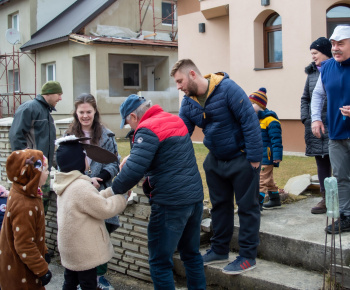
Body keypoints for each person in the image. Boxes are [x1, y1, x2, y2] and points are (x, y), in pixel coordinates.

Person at [171, 59, 263, 275]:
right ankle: (219, 249)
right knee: (219, 206)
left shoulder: (227, 89)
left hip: (241, 158)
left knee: (248, 208)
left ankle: (248, 256)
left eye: (180, 81)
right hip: (215, 159)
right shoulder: (189, 102)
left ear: (192, 74)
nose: (179, 87)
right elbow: (182, 132)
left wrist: (254, 158)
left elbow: (249, 120)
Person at [112, 95, 206, 290]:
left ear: (133, 116)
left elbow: (133, 172)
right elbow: (167, 155)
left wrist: (113, 190)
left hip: (170, 204)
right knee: (191, 255)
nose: (129, 127)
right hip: (194, 199)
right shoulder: (175, 120)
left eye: (128, 122)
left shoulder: (146, 129)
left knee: (159, 261)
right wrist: (135, 154)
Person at [53, 136, 128, 290]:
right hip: (84, 252)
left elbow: (90, 203)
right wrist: (122, 197)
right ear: (78, 160)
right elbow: (104, 209)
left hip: (70, 249)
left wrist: (109, 192)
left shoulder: (66, 184)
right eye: (85, 156)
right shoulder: (81, 186)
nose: (88, 159)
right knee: (88, 284)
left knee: (70, 282)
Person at [65, 93, 120, 290]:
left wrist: (102, 178)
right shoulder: (68, 136)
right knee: (82, 239)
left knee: (101, 236)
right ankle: (83, 279)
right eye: (81, 112)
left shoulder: (107, 135)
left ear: (95, 111)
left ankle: (99, 277)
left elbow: (115, 162)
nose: (85, 116)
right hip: (77, 193)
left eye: (89, 111)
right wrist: (84, 180)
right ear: (76, 112)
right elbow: (62, 163)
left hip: (100, 191)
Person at [311, 25, 350, 234]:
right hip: (336, 133)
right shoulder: (326, 68)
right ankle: (346, 216)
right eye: (333, 44)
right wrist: (316, 118)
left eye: (340, 44)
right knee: (341, 177)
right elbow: (318, 95)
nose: (335, 48)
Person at [0, 149, 52, 289]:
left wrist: (44, 251)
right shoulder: (25, 204)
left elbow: (33, 231)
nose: (48, 173)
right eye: (45, 170)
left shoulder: (25, 191)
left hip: (23, 265)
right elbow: (24, 244)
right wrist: (42, 270)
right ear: (33, 173)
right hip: (21, 275)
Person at [9, 81, 63, 214]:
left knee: (40, 211)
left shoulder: (46, 113)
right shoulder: (29, 108)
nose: (60, 98)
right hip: (31, 174)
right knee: (28, 211)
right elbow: (16, 137)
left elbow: (48, 145)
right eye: (58, 94)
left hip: (43, 173)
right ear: (48, 93)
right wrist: (29, 164)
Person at [301, 37, 332, 214]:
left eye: (315, 53)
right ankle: (325, 198)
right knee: (322, 162)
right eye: (311, 54)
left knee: (341, 162)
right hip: (315, 126)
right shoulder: (312, 73)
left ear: (325, 52)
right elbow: (305, 98)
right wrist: (307, 119)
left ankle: (342, 200)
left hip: (334, 123)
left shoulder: (339, 69)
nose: (313, 57)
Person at [249, 88, 283, 211]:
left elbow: (276, 140)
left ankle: (257, 205)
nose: (249, 106)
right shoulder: (255, 120)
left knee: (261, 181)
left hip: (267, 157)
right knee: (269, 180)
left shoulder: (271, 121)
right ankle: (275, 200)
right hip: (258, 155)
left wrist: (277, 156)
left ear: (260, 105)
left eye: (252, 103)